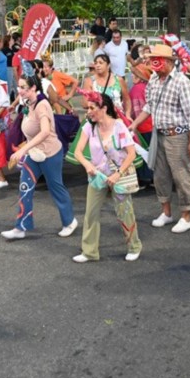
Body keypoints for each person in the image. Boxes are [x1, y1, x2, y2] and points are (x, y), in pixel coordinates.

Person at [130, 44, 190, 234]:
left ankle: (186, 217)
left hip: (178, 135)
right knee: (160, 176)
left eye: (158, 59)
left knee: (182, 176)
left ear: (169, 61)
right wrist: (135, 124)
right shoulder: (153, 80)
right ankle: (166, 212)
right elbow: (149, 107)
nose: (154, 62)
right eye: (153, 59)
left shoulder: (181, 82)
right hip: (159, 134)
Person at [2, 74, 76, 241]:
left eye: (23, 88)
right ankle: (21, 227)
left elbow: (44, 132)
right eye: (19, 87)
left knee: (56, 187)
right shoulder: (29, 103)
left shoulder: (42, 105)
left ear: (33, 88)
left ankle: (70, 221)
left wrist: (23, 150)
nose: (19, 91)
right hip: (34, 154)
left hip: (50, 153)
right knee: (25, 187)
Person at [73, 92, 142, 262]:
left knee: (125, 212)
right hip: (97, 175)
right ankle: (89, 252)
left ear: (104, 108)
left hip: (118, 176)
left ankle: (134, 246)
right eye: (87, 108)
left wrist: (118, 174)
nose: (88, 111)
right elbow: (78, 152)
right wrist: (87, 165)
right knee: (91, 213)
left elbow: (131, 154)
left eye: (92, 107)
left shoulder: (119, 127)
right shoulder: (89, 127)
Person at [81, 52, 132, 120]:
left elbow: (127, 100)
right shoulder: (89, 81)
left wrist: (127, 114)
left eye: (101, 63)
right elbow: (85, 104)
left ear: (108, 65)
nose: (98, 65)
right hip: (97, 119)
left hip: (117, 118)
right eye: (96, 63)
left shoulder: (119, 80)